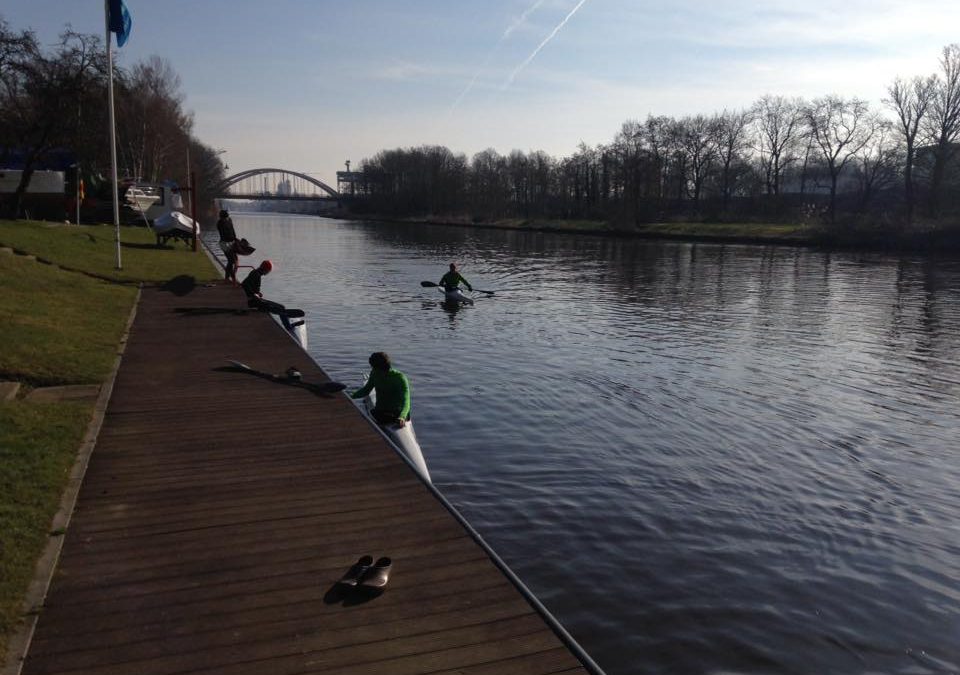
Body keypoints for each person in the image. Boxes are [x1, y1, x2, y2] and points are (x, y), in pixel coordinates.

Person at [350, 352, 411, 427]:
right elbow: (366, 390)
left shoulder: (400, 378)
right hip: (381, 412)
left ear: (380, 368)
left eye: (373, 367)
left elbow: (406, 401)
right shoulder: (374, 373)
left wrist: (402, 416)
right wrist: (350, 396)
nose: (372, 369)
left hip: (398, 414)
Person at [240, 260, 295, 330]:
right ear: (266, 269)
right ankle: (289, 327)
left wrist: (257, 293)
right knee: (281, 308)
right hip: (253, 302)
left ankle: (287, 322)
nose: (268, 272)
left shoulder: (255, 273)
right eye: (269, 271)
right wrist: (254, 294)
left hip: (255, 300)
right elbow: (244, 285)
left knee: (281, 307)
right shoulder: (256, 275)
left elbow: (248, 285)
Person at [216, 209, 239, 283]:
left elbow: (232, 230)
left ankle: (229, 277)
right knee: (231, 260)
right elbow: (224, 235)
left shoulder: (229, 220)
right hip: (224, 243)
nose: (224, 219)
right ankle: (230, 278)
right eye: (223, 218)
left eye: (226, 217)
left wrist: (235, 239)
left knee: (235, 260)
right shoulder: (220, 223)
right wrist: (234, 238)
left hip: (231, 242)